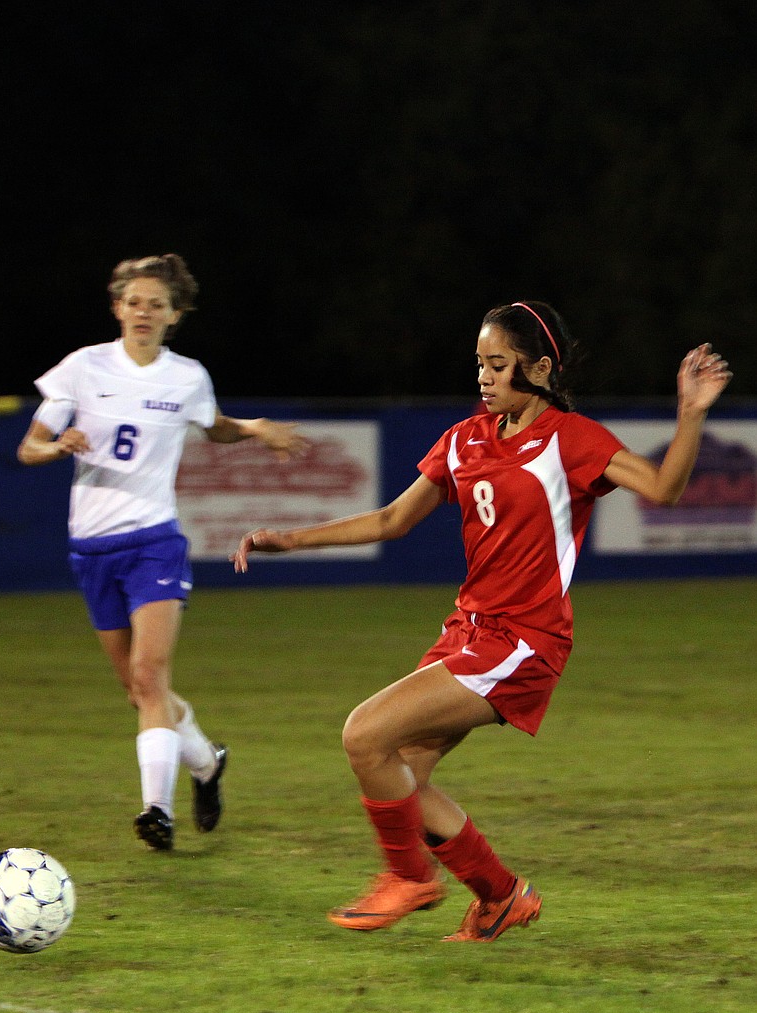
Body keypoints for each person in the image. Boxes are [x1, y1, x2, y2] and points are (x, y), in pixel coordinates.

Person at [233, 301, 732, 942]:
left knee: (363, 735)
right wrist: (293, 540)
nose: (485, 377)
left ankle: (409, 878)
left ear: (541, 367)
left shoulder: (571, 439)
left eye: (499, 364)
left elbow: (664, 489)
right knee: (400, 777)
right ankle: (500, 896)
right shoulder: (466, 438)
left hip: (524, 641)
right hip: (467, 631)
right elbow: (391, 520)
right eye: (480, 364)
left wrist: (690, 413)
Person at [18, 253, 305, 851]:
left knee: (150, 675)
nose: (144, 311)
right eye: (134, 301)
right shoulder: (82, 367)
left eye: (157, 303)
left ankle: (156, 810)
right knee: (140, 691)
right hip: (91, 548)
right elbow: (30, 447)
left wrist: (251, 428)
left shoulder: (186, 377)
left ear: (175, 314)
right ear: (117, 307)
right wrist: (57, 447)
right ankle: (206, 763)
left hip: (154, 541)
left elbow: (211, 424)